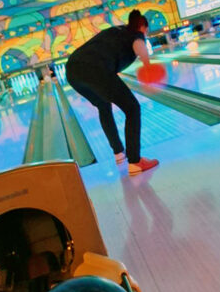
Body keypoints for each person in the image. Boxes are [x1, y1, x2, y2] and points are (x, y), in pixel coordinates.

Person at [66, 10, 159, 175]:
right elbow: (139, 46)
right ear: (142, 26)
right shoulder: (136, 34)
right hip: (96, 69)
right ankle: (135, 161)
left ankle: (118, 153)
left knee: (103, 105)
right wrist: (147, 65)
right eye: (146, 30)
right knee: (132, 108)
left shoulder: (116, 29)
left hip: (72, 70)